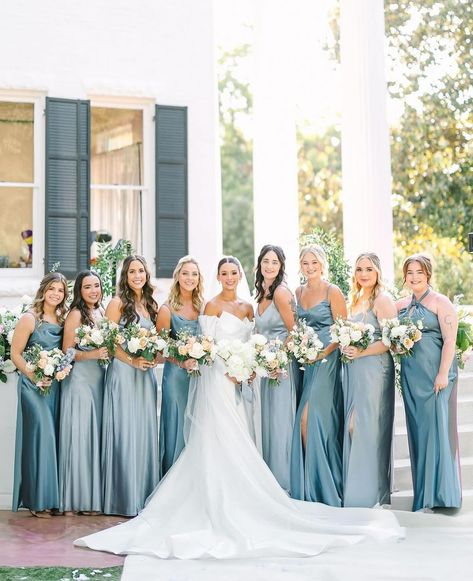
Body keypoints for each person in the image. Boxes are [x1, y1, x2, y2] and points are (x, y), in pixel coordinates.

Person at [75, 257, 403, 561]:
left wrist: (248, 367)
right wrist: (223, 364)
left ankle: (243, 498)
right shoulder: (210, 304)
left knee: (238, 434)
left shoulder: (248, 307)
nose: (230, 277)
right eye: (224, 273)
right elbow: (208, 344)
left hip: (240, 378)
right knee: (215, 434)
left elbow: (252, 343)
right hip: (216, 378)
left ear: (240, 276)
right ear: (217, 277)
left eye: (234, 273)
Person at [397, 253, 461, 511]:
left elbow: (450, 341)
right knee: (419, 432)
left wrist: (443, 373)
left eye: (419, 272)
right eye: (410, 273)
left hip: (436, 375)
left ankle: (442, 495)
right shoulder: (401, 305)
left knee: (436, 430)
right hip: (411, 377)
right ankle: (423, 495)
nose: (414, 277)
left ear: (428, 274)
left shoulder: (440, 302)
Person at [101, 255, 159, 516]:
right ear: (125, 276)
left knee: (144, 429)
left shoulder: (150, 305)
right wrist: (132, 360)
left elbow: (158, 341)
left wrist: (152, 357)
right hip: (124, 373)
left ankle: (144, 496)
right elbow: (110, 344)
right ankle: (123, 498)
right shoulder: (117, 303)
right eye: (132, 271)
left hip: (145, 375)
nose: (137, 275)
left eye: (141, 271)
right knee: (124, 429)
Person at [290, 244, 346, 506]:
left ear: (322, 264)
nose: (310, 267)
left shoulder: (332, 291)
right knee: (309, 422)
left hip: (327, 361)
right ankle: (312, 484)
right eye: (305, 263)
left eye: (314, 262)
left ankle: (324, 487)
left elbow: (343, 329)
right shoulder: (298, 292)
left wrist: (324, 353)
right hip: (306, 362)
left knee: (308, 419)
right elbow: (296, 327)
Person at [11, 272, 68, 517]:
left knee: (53, 439)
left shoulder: (63, 320)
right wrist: (34, 375)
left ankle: (51, 499)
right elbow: (16, 354)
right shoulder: (29, 318)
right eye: (52, 288)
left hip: (54, 386)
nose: (56, 294)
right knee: (40, 438)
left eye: (61, 290)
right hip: (32, 386)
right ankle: (36, 501)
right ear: (43, 290)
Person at [341, 252, 396, 508]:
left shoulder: (382, 300)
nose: (364, 274)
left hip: (375, 369)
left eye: (369, 269)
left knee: (366, 427)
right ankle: (358, 492)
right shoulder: (354, 299)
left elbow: (390, 341)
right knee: (354, 426)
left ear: (378, 273)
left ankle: (372, 495)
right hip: (354, 370)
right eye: (360, 269)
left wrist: (361, 351)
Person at [59, 270, 107, 515]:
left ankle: (92, 497)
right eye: (87, 287)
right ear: (79, 290)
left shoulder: (100, 312)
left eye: (96, 285)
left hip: (99, 379)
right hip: (79, 380)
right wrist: (93, 354)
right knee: (80, 435)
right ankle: (78, 499)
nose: (93, 291)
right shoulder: (76, 314)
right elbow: (67, 351)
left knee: (94, 435)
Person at [156, 256, 203, 478]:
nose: (190, 278)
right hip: (175, 376)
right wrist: (181, 360)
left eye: (194, 274)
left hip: (199, 376)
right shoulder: (167, 309)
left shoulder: (203, 307)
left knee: (197, 425)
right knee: (176, 424)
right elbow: (161, 348)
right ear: (177, 276)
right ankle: (172, 479)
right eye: (185, 273)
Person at [254, 244, 296, 491]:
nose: (269, 266)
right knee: (268, 424)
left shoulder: (281, 293)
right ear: (260, 264)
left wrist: (277, 359)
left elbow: (295, 331)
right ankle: (271, 483)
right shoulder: (262, 293)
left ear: (281, 267)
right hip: (266, 368)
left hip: (281, 368)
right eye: (266, 261)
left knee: (281, 424)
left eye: (275, 262)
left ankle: (285, 485)